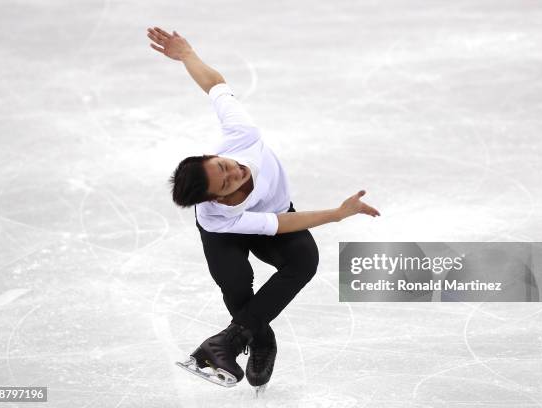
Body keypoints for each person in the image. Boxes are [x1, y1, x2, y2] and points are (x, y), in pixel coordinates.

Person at [147, 26, 380, 389]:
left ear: (214, 154)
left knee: (304, 259)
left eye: (224, 165)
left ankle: (228, 340)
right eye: (226, 182)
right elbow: (251, 225)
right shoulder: (216, 215)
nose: (235, 172)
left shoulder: (242, 136)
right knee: (235, 280)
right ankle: (259, 339)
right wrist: (334, 214)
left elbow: (215, 86)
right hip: (228, 232)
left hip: (275, 210)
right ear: (215, 198)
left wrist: (187, 55)